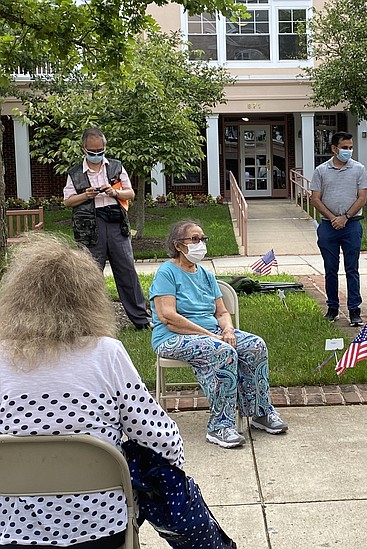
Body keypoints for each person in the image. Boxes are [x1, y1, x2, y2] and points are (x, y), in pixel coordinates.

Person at [0, 232, 184, 548]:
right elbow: (162, 441)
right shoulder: (106, 354)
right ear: (88, 297)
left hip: (13, 530)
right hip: (101, 527)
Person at [149, 219, 288, 449]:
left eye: (202, 239)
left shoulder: (206, 274)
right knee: (222, 351)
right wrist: (210, 335)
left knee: (255, 345)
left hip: (211, 333)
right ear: (178, 245)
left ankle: (261, 413)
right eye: (194, 239)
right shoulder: (167, 272)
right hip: (173, 337)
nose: (200, 243)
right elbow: (168, 317)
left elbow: (222, 311)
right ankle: (220, 426)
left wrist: (228, 329)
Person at [63, 127, 152, 330]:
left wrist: (114, 192)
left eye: (100, 150)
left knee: (127, 271)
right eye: (92, 151)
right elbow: (68, 202)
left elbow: (130, 193)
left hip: (116, 225)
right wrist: (86, 195)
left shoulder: (116, 167)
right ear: (83, 149)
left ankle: (142, 320)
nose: (96, 155)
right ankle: (87, 323)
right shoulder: (75, 173)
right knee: (89, 275)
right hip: (89, 228)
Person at [310, 131, 367, 326]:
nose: (348, 151)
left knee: (352, 268)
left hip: (351, 225)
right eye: (344, 148)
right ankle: (332, 307)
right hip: (328, 226)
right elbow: (315, 199)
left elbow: (362, 198)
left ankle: (354, 310)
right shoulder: (321, 170)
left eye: (350, 147)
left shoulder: (359, 169)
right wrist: (333, 218)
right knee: (330, 269)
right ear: (334, 149)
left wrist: (345, 217)